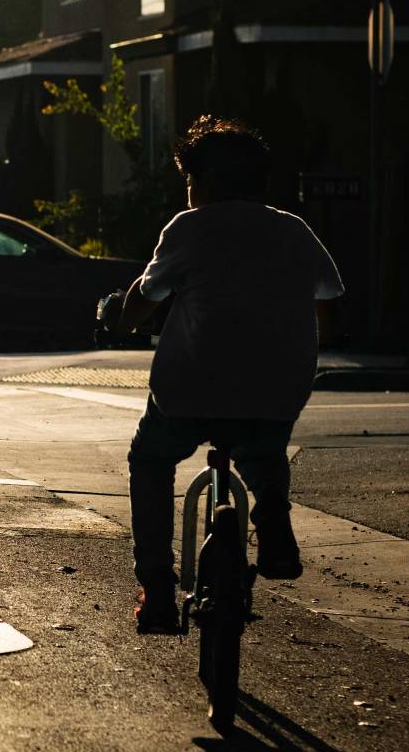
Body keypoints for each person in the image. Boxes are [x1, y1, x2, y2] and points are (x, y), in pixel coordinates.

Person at [111, 116, 344, 635]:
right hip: (275, 388)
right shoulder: (293, 230)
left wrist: (120, 322)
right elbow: (329, 296)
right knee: (263, 450)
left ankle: (156, 592)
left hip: (190, 390)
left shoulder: (188, 228)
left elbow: (143, 297)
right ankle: (274, 521)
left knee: (150, 460)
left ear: (205, 182)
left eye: (191, 182)